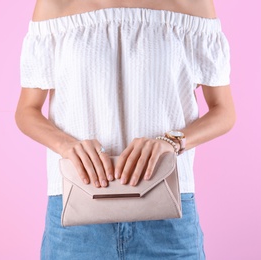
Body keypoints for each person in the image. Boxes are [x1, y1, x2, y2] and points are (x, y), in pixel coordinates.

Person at [15, 0, 236, 259]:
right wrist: (67, 146)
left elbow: (224, 110)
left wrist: (172, 141)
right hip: (77, 207)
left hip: (167, 205)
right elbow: (27, 111)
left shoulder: (192, 5)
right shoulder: (56, 5)